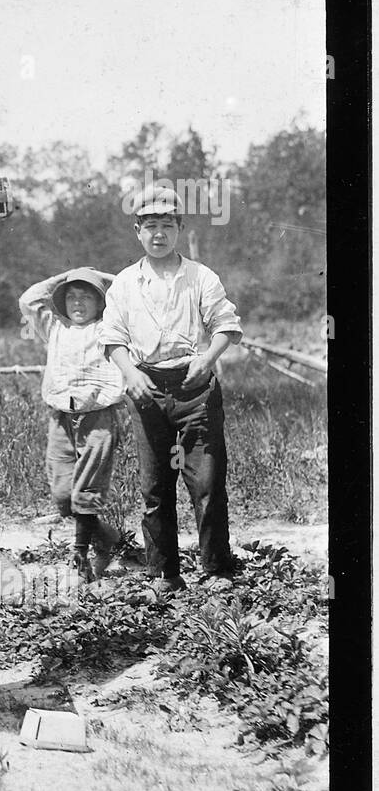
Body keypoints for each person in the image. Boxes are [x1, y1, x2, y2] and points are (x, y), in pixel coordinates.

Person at [99, 187, 243, 596]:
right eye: (150, 226)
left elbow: (227, 326)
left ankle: (217, 570)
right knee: (155, 486)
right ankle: (165, 575)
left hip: (194, 386)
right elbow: (112, 337)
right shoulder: (126, 282)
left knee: (207, 483)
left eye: (166, 225)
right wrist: (130, 373)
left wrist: (208, 359)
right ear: (138, 231)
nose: (158, 234)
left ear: (179, 228)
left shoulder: (200, 276)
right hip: (146, 390)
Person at [18, 266, 131, 582]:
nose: (78, 303)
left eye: (86, 296)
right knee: (63, 495)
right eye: (71, 296)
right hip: (61, 419)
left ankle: (81, 555)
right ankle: (108, 537)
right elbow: (29, 300)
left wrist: (102, 277)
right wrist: (64, 276)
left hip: (98, 418)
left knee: (86, 491)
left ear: (100, 302)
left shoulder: (109, 329)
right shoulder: (55, 327)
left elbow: (129, 294)